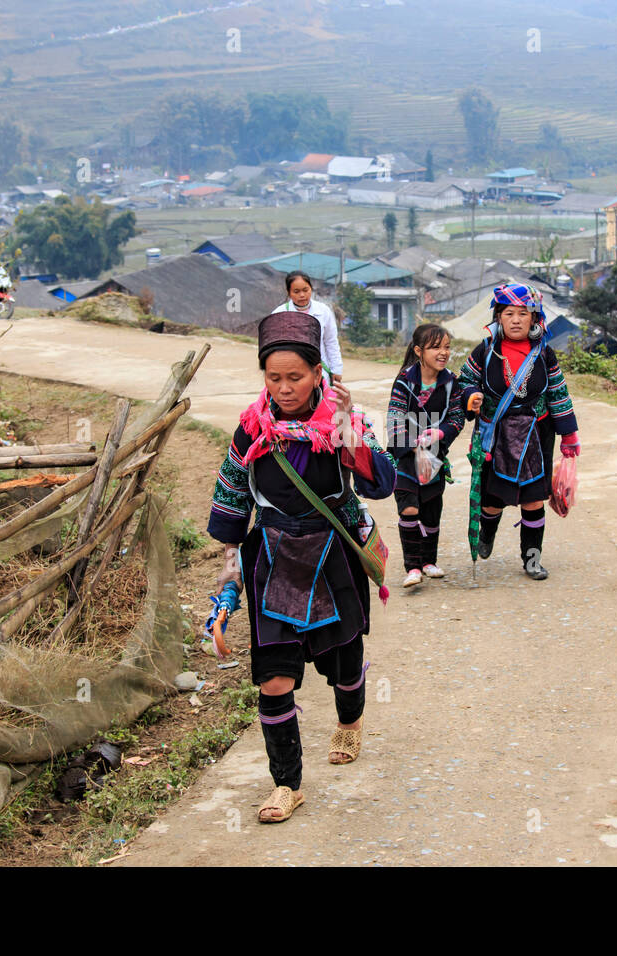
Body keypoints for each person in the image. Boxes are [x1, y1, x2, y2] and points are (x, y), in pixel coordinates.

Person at [207, 310, 396, 823]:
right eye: (274, 377)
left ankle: (350, 723)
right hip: (272, 561)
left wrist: (348, 430)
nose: (284, 388)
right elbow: (231, 505)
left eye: (295, 377)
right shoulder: (251, 430)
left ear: (318, 373)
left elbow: (382, 482)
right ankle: (286, 785)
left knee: (345, 664)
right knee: (273, 678)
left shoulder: (343, 421)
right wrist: (228, 582)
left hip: (333, 556)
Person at [457, 283, 580, 580]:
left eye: (523, 314)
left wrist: (569, 436)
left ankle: (532, 559)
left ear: (534, 318)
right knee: (492, 501)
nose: (515, 320)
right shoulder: (485, 350)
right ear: (498, 317)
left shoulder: (544, 354)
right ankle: (487, 533)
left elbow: (558, 394)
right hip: (495, 435)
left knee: (533, 500)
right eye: (508, 313)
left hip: (535, 436)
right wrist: (471, 396)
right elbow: (464, 381)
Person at [386, 323, 468, 588]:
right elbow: (395, 419)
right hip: (406, 457)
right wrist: (412, 445)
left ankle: (429, 561)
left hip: (434, 456)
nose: (443, 352)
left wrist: (440, 434)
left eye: (447, 347)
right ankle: (412, 567)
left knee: (431, 511)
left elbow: (457, 418)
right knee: (409, 508)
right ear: (419, 351)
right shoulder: (404, 382)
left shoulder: (451, 382)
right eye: (435, 347)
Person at [274, 270, 343, 385]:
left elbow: (331, 342)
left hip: (319, 371)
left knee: (321, 395)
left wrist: (336, 369)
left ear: (311, 289)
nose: (302, 295)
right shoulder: (279, 314)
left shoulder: (323, 311)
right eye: (296, 291)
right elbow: (274, 348)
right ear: (289, 292)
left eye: (305, 290)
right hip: (291, 373)